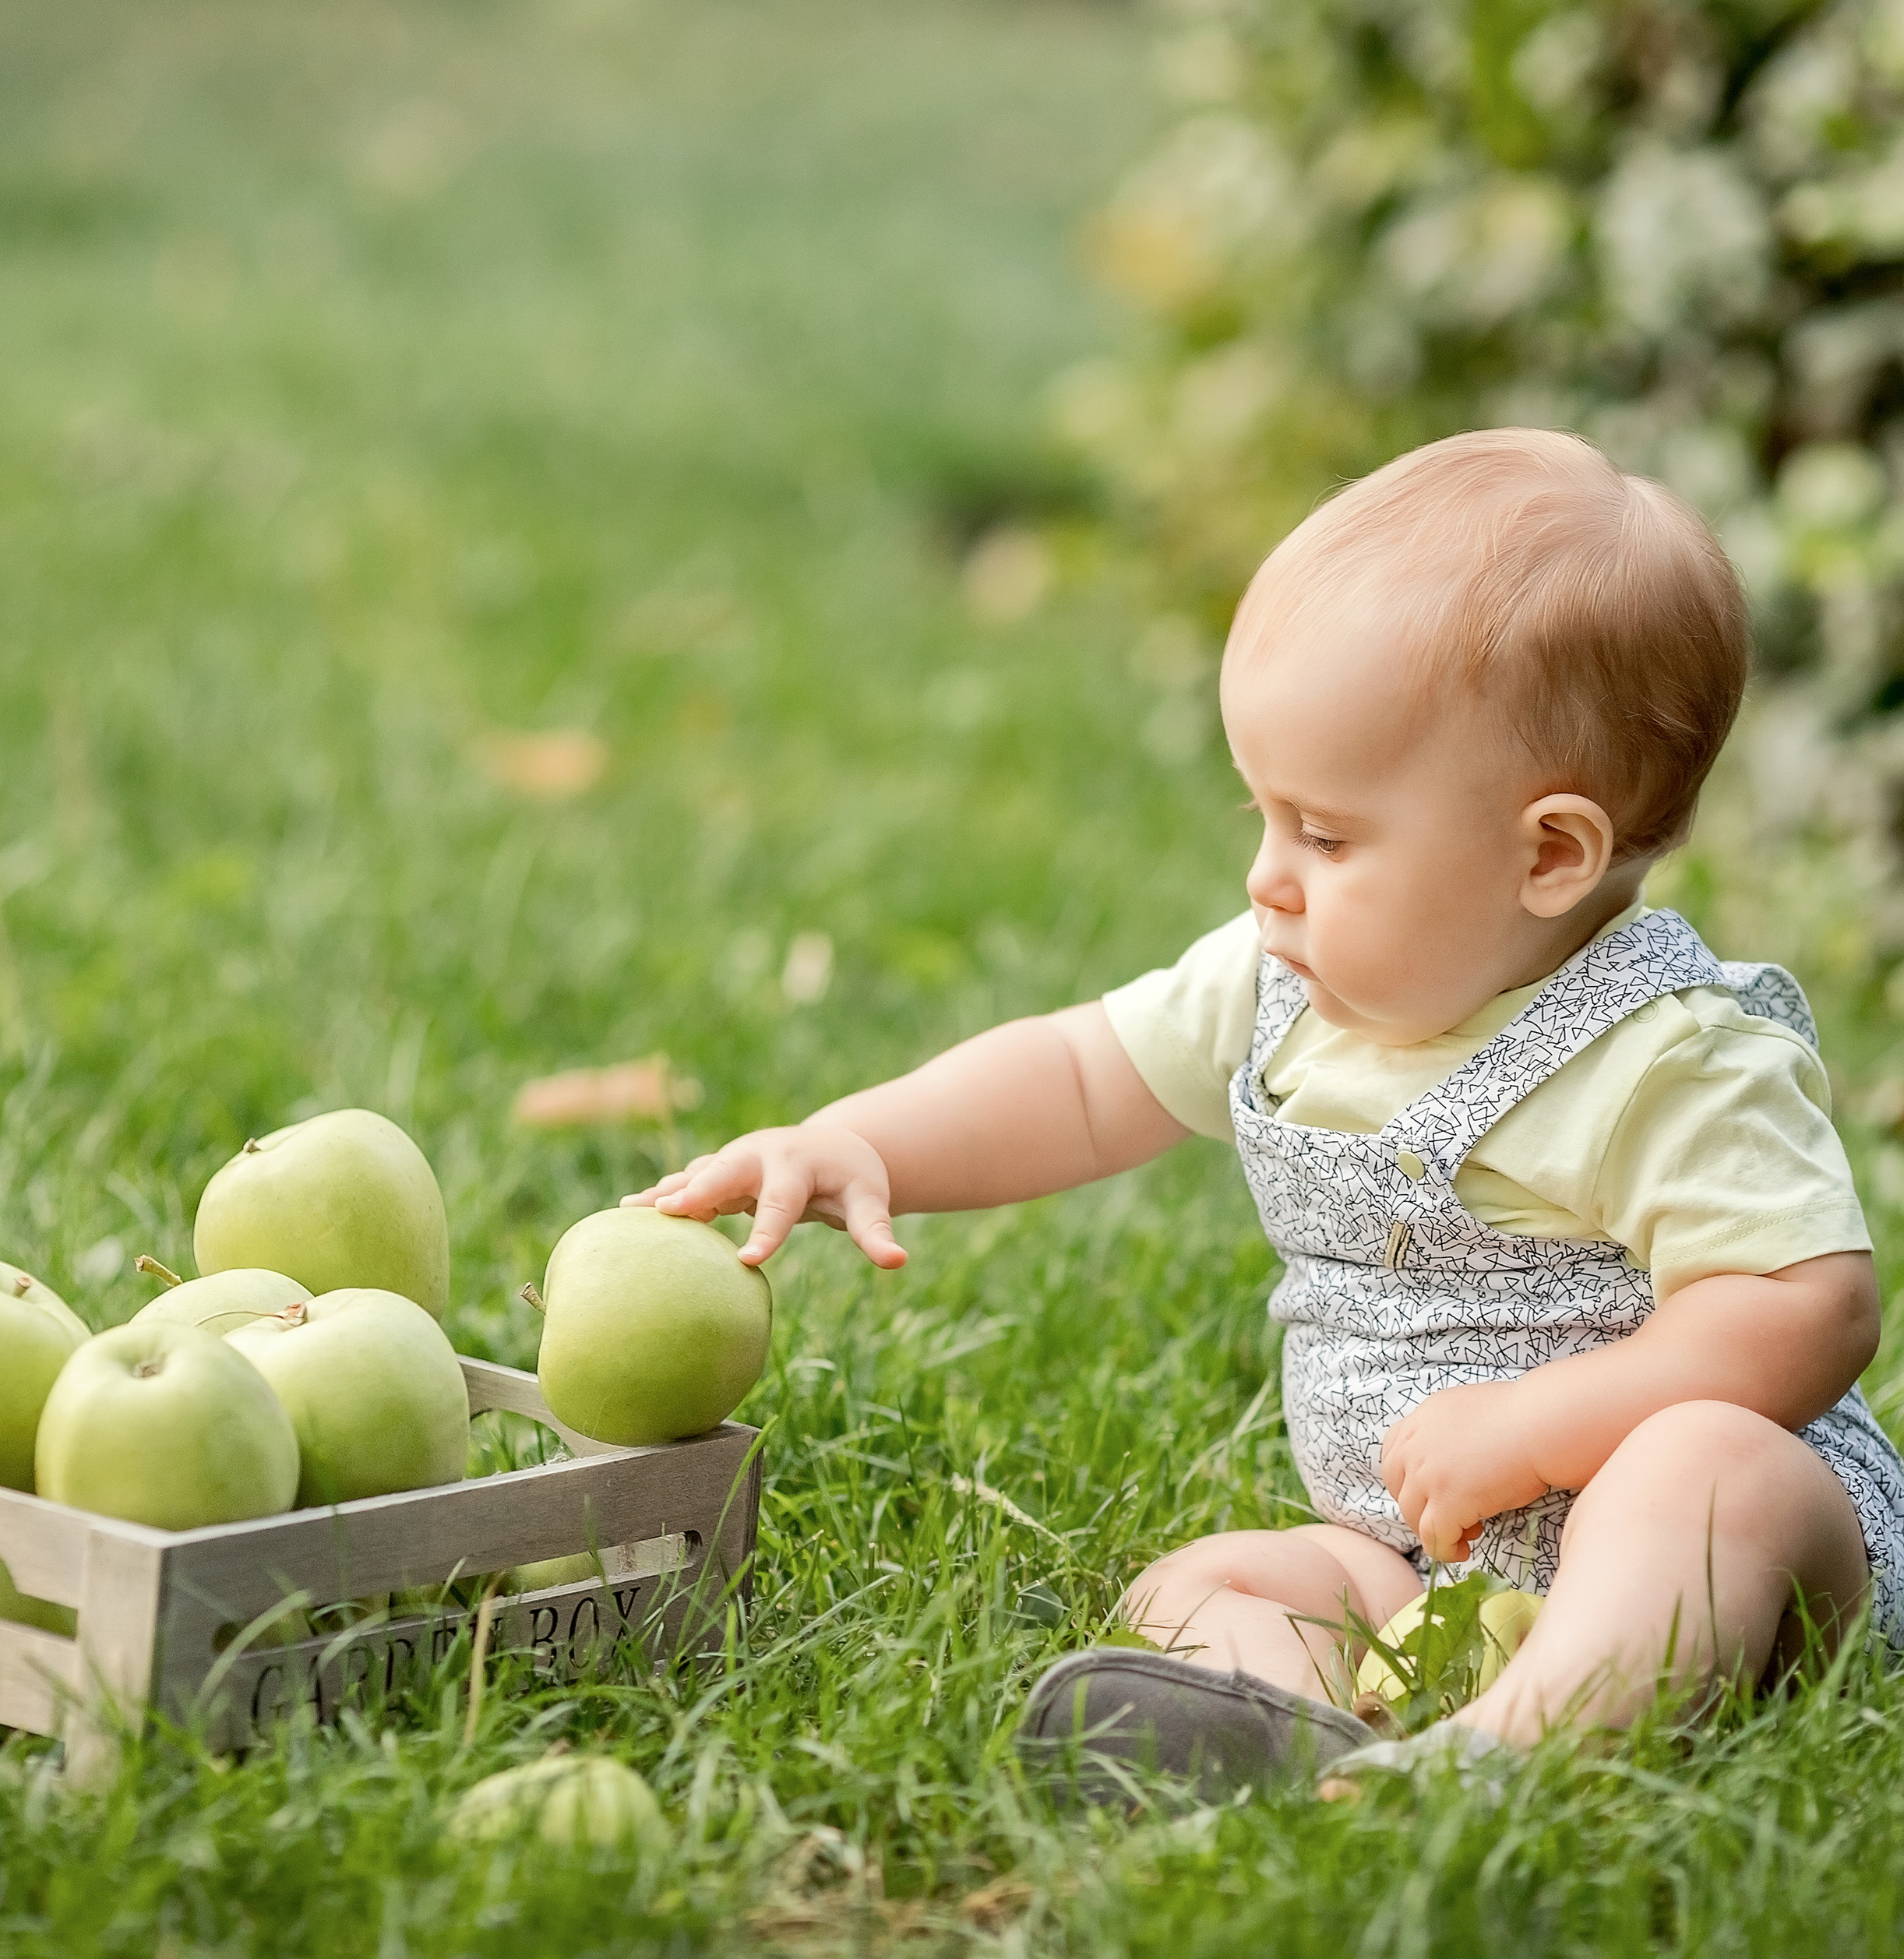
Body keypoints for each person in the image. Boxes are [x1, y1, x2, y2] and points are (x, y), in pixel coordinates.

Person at [626, 428, 1904, 1794]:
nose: (1267, 878)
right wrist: (858, 1140)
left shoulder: (1669, 1058)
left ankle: (1514, 1762)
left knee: (1704, 1469)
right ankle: (1315, 1741)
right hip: (1416, 1560)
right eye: (1265, 816)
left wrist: (1539, 1428)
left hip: (1741, 1578)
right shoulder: (1284, 984)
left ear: (1549, 853)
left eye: (1329, 836)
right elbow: (1078, 1074)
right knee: (1205, 1583)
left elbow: (1802, 1308)